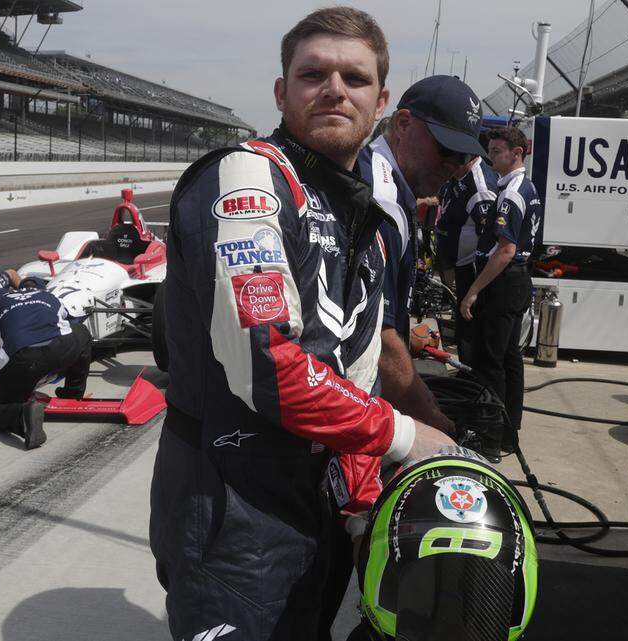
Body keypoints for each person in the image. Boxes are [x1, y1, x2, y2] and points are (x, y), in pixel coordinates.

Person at [148, 8, 453, 641]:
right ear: (283, 93)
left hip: (318, 499)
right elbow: (264, 361)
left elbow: (356, 370)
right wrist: (406, 437)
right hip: (231, 504)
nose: (335, 89)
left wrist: (367, 487)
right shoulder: (246, 178)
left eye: (355, 78)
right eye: (313, 74)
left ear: (381, 101)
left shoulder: (364, 218)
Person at [359, 74, 486, 435]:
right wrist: (439, 426)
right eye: (446, 149)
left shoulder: (391, 186)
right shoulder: (379, 199)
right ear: (402, 124)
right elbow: (378, 343)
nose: (454, 165)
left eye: (464, 156)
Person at [460, 127, 542, 462]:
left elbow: (505, 250)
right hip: (516, 281)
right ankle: (509, 434)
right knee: (509, 360)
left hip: (503, 282)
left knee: (489, 363)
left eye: (496, 151)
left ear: (517, 153)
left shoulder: (512, 193)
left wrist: (472, 292)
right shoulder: (525, 187)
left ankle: (489, 440)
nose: (491, 157)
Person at [0, 285, 92, 450]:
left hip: (27, 359)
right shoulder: (48, 294)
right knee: (81, 332)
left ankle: (22, 415)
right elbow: (68, 322)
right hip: (60, 348)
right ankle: (74, 394)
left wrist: (3, 380)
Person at [436, 154, 500, 363]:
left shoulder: (480, 186)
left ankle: (471, 377)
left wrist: (477, 287)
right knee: (462, 327)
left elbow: (491, 238)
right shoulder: (458, 175)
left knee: (470, 329)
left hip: (472, 270)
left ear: (468, 158)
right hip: (457, 264)